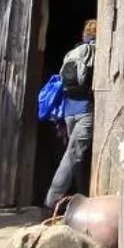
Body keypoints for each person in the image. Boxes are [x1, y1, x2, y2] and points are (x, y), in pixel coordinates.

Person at [43, 19, 96, 215]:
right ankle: (52, 200)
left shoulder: (73, 52)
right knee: (73, 154)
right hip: (85, 111)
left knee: (78, 157)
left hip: (69, 112)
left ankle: (83, 197)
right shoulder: (96, 51)